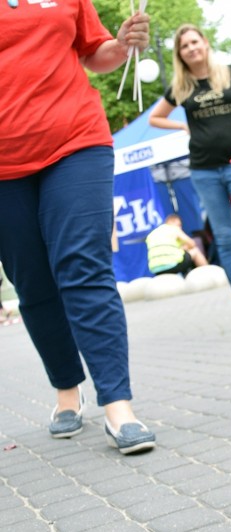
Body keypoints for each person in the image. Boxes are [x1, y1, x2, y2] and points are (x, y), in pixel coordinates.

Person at [0, 1, 156, 454]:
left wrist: (122, 44)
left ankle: (118, 405)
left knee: (83, 267)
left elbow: (94, 53)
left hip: (75, 141)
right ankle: (67, 390)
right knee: (32, 283)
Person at [148, 24, 231, 329]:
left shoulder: (230, 73)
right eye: (184, 46)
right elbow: (155, 117)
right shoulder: (181, 86)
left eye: (194, 42)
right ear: (180, 54)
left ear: (204, 43)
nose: (191, 48)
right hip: (204, 171)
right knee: (225, 240)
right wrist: (181, 126)